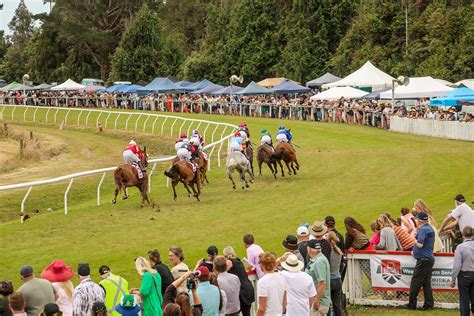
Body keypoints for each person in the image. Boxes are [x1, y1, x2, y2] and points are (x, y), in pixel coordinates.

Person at [405, 212, 435, 311]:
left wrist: (412, 237)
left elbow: (420, 245)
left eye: (417, 220)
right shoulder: (428, 228)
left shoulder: (424, 229)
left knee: (415, 282)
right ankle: (428, 304)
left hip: (423, 261)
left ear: (420, 220)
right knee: (426, 283)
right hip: (427, 260)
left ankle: (412, 304)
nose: (416, 221)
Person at [222, 246, 255, 316]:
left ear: (225, 255)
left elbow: (222, 272)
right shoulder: (238, 260)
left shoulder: (229, 261)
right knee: (246, 313)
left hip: (242, 292)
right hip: (248, 289)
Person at [451, 226, 474, 316]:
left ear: (462, 234)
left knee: (464, 299)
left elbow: (457, 265)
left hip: (465, 275)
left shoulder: (460, 247)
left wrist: (453, 279)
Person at [305, 240, 331, 316]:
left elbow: (322, 283)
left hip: (319, 303)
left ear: (309, 249)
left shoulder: (319, 262)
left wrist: (316, 301)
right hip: (317, 301)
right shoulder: (318, 259)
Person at [327, 232, 344, 316]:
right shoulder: (338, 251)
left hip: (329, 279)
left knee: (327, 304)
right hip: (337, 279)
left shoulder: (327, 252)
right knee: (337, 304)